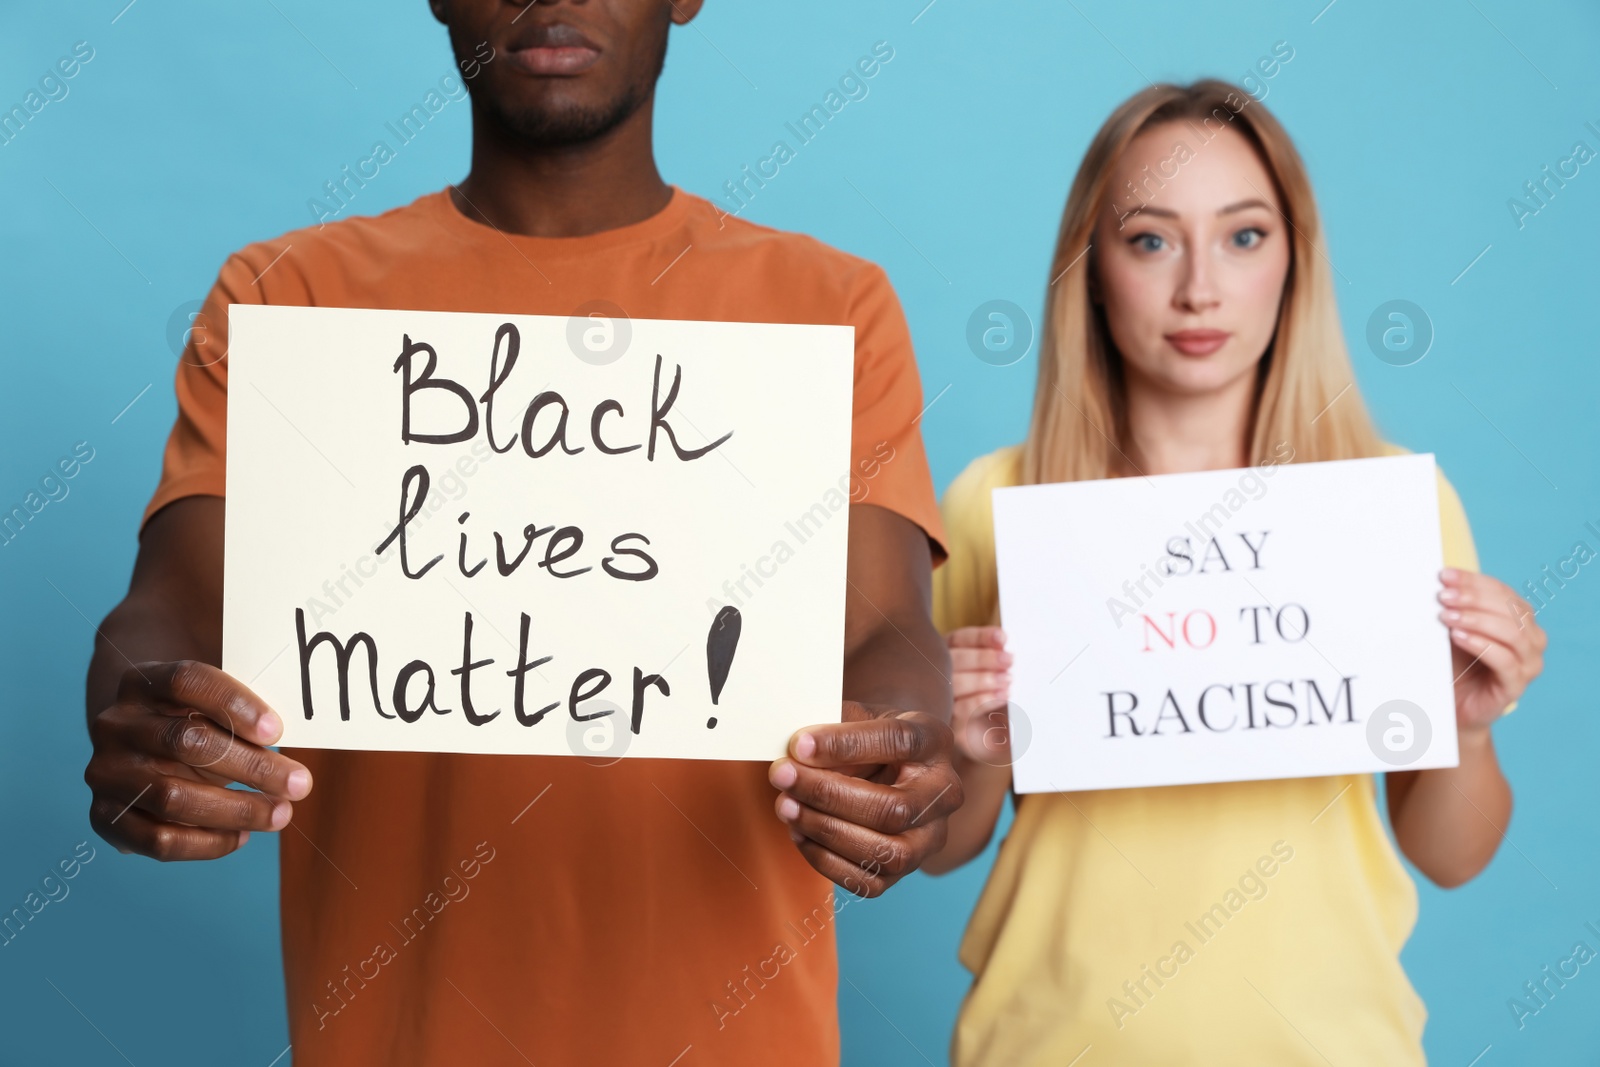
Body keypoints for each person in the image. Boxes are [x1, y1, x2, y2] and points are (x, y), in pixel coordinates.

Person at [82, 3, 961, 1064]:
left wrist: (903, 738)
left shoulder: (830, 309)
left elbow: (887, 628)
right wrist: (141, 711)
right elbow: (172, 600)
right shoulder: (289, 302)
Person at [926, 80, 1546, 1064]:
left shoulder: (1391, 504)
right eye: (1150, 239)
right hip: (1047, 1040)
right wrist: (971, 742)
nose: (1199, 289)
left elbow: (1452, 854)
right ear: (1091, 269)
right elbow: (943, 843)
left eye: (1244, 236)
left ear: (1295, 258)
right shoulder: (993, 503)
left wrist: (1463, 724)